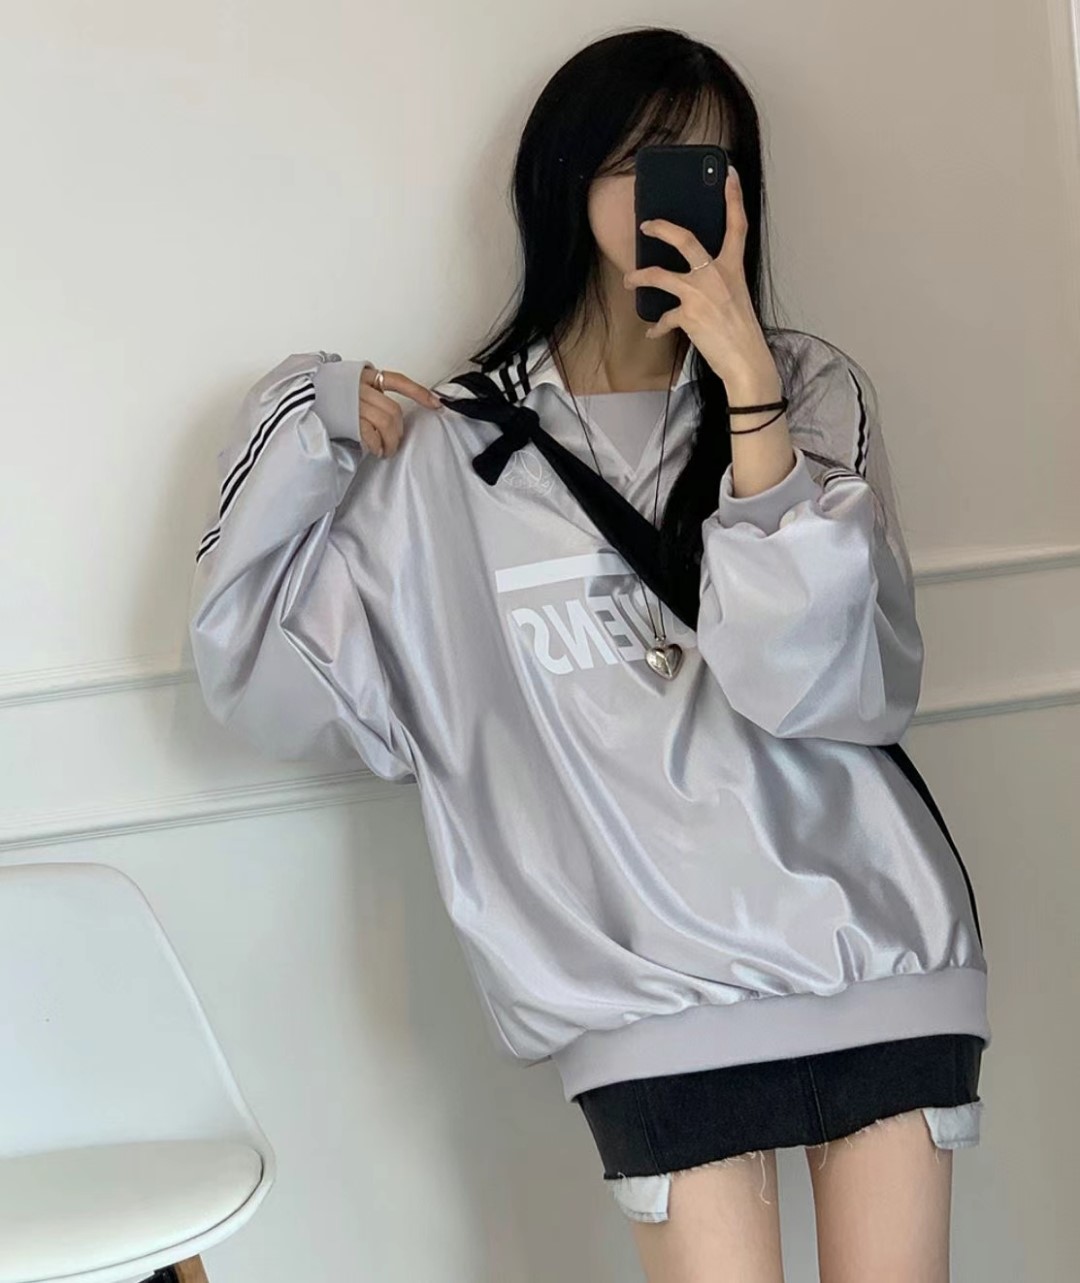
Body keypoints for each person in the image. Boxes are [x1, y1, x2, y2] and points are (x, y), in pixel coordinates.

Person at [188, 24, 989, 1283]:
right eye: (644, 161)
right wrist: (306, 420)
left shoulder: (811, 393)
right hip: (644, 996)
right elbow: (269, 679)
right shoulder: (453, 456)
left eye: (713, 167)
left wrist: (749, 389)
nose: (681, 196)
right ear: (566, 180)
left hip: (880, 952)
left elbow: (827, 686)